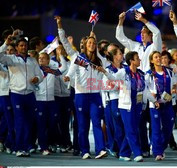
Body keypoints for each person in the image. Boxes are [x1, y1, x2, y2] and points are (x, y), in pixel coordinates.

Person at [55, 16, 108, 159]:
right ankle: (84, 150)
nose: (92, 44)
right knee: (83, 126)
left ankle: (100, 149)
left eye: (93, 42)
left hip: (95, 95)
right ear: (85, 45)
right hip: (81, 96)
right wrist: (68, 77)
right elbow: (71, 71)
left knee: (97, 122)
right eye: (89, 42)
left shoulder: (99, 60)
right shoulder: (79, 58)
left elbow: (107, 71)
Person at [97, 51, 160, 162]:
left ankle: (123, 153)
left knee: (133, 129)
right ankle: (137, 153)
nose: (140, 60)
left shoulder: (141, 74)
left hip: (138, 105)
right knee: (131, 130)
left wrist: (154, 100)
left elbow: (145, 90)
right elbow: (113, 78)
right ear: (131, 61)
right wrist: (104, 72)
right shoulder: (123, 72)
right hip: (126, 106)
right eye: (137, 58)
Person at [116, 11, 162, 156]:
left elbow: (158, 33)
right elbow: (120, 37)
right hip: (138, 86)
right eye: (141, 32)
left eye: (145, 32)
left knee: (154, 119)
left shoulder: (154, 47)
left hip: (152, 84)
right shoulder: (135, 46)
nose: (142, 34)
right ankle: (143, 148)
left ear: (149, 35)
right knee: (139, 120)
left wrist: (144, 21)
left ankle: (156, 148)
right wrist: (120, 22)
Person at [0, 36, 43, 157]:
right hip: (16, 94)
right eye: (21, 45)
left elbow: (40, 75)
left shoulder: (32, 61)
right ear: (17, 48)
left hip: (30, 94)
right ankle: (19, 148)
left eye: (25, 45)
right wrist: (5, 44)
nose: (23, 47)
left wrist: (37, 79)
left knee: (29, 122)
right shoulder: (11, 59)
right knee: (19, 121)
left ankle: (25, 147)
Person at [145, 51, 175, 161]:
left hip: (167, 103)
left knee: (168, 128)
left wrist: (173, 90)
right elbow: (145, 90)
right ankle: (157, 152)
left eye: (159, 57)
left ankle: (161, 148)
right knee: (156, 128)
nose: (158, 59)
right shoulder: (148, 74)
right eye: (156, 57)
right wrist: (153, 99)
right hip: (155, 105)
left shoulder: (169, 72)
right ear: (152, 60)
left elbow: (174, 85)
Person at [35, 52, 66, 155]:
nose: (41, 59)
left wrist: (60, 54)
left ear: (48, 61)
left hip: (51, 101)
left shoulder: (52, 71)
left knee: (52, 124)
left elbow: (64, 67)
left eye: (44, 58)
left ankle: (49, 144)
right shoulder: (35, 71)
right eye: (39, 58)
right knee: (41, 125)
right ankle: (43, 147)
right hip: (40, 101)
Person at [102, 47, 127, 157]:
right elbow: (106, 86)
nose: (122, 55)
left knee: (125, 125)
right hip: (114, 99)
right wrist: (121, 85)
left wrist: (117, 84)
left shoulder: (126, 68)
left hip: (126, 99)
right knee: (117, 125)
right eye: (120, 53)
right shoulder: (108, 70)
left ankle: (119, 148)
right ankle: (118, 148)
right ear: (114, 57)